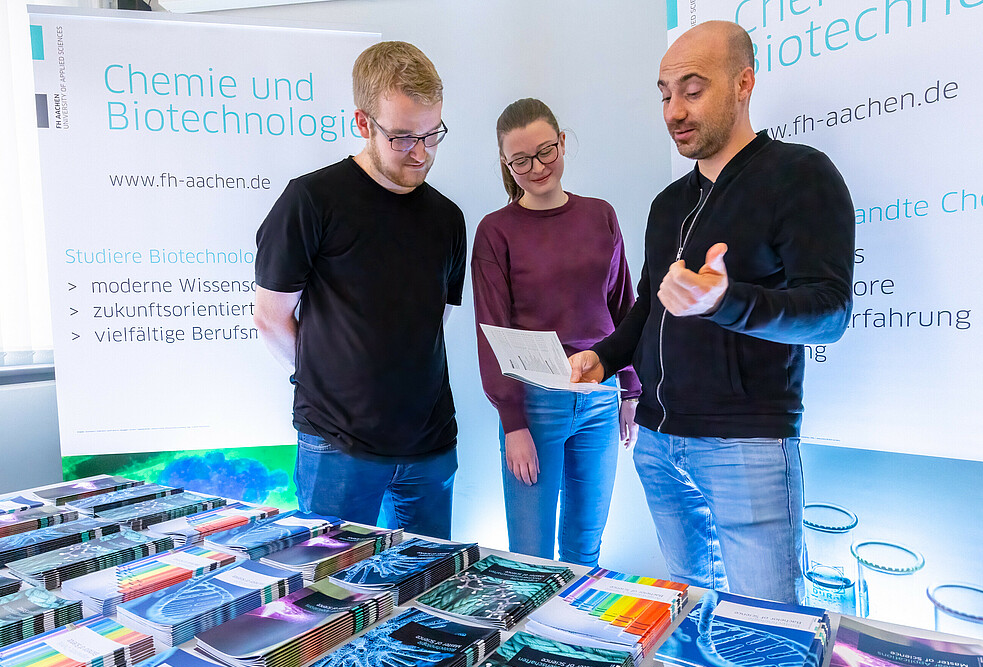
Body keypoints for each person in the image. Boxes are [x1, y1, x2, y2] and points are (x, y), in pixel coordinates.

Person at [569, 21, 855, 603]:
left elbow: (829, 312)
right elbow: (649, 305)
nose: (674, 109)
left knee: (765, 629)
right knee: (689, 615)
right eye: (665, 93)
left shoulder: (800, 174)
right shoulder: (667, 203)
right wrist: (602, 357)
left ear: (744, 82)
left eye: (692, 90)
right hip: (655, 442)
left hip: (745, 446)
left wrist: (726, 302)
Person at [253, 41, 465, 539]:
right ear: (363, 123)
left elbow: (438, 319)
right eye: (403, 137)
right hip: (337, 445)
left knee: (430, 592)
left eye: (432, 134)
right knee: (332, 597)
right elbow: (270, 315)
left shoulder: (448, 217)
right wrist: (323, 380)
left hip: (431, 445)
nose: (421, 153)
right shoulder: (311, 201)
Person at [471, 98, 640, 567]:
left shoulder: (600, 215)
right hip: (534, 402)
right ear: (507, 164)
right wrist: (513, 424)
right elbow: (492, 330)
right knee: (530, 558)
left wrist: (630, 388)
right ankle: (532, 639)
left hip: (600, 396)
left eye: (546, 151)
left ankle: (573, 638)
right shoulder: (495, 232)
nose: (537, 167)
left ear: (563, 142)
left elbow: (623, 305)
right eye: (520, 160)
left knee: (586, 549)